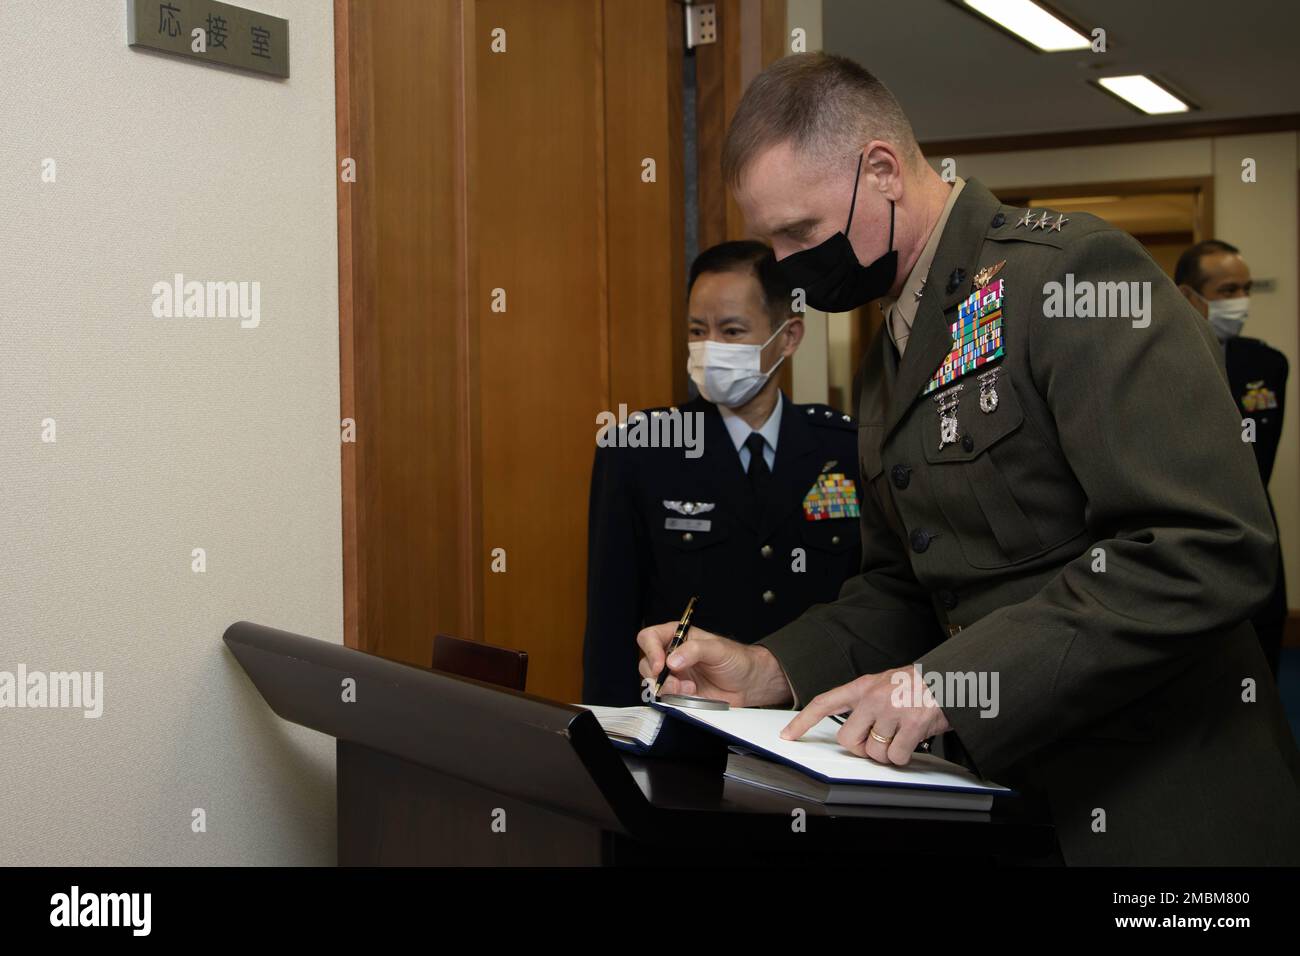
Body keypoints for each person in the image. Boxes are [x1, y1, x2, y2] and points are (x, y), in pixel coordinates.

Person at [638, 52, 1300, 865]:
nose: (786, 266)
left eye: (800, 233)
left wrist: (956, 683)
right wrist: (770, 667)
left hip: (1162, 811)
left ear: (880, 170)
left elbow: (1210, 546)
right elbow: (906, 590)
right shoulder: (893, 350)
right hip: (1011, 800)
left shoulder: (1066, 278)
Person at [582, 241, 862, 706]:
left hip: (814, 722)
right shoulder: (638, 448)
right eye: (698, 330)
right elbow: (610, 624)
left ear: (789, 337)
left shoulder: (844, 448)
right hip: (686, 724)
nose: (711, 348)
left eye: (731, 331)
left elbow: (870, 603)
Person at [1176, 239, 1288, 674]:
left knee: (1263, 662)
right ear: (1188, 295)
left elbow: (1261, 459)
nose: (1240, 301)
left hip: (1256, 531)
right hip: (1191, 541)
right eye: (1227, 290)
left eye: (1246, 288)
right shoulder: (1157, 362)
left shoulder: (1268, 364)